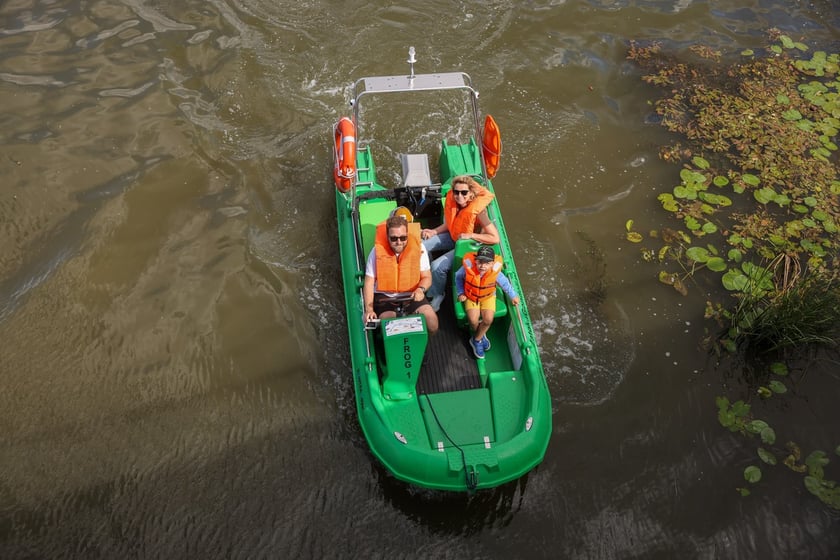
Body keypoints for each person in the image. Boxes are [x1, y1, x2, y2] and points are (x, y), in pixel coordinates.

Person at [420, 175, 500, 311]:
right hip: (452, 237)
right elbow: (450, 224)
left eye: (464, 192)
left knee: (437, 267)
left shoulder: (478, 211)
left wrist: (471, 235)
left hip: (465, 246)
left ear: (470, 194)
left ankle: (438, 294)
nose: (459, 195)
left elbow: (494, 238)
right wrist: (434, 231)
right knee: (421, 245)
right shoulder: (453, 202)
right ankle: (426, 275)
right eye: (456, 192)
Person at [363, 213, 439, 334]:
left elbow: (427, 277)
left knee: (433, 324)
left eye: (403, 238)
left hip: (412, 296)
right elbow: (369, 282)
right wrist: (369, 309)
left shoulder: (420, 249)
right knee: (390, 329)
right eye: (394, 238)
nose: (399, 242)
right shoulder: (376, 252)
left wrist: (421, 289)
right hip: (385, 299)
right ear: (387, 236)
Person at [455, 245, 519, 359]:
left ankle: (476, 339)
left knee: (488, 319)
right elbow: (458, 277)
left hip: (488, 296)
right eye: (480, 262)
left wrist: (513, 295)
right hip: (471, 296)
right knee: (473, 320)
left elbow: (505, 284)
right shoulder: (467, 268)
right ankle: (480, 335)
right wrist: (460, 293)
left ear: (492, 264)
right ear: (475, 261)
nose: (482, 266)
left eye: (487, 263)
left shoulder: (496, 273)